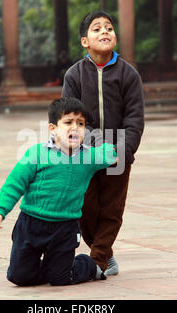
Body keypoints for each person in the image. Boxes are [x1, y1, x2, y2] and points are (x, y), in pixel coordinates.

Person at [0, 97, 117, 286]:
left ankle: (87, 265)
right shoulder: (36, 153)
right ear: (52, 129)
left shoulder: (89, 156)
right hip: (31, 224)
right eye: (68, 122)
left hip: (65, 227)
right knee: (19, 277)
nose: (75, 128)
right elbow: (14, 183)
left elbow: (107, 152)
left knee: (61, 279)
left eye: (80, 124)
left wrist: (113, 152)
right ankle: (49, 267)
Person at [62, 11, 145, 276]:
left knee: (112, 209)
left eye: (109, 28)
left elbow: (134, 117)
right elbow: (70, 116)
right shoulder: (74, 75)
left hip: (119, 155)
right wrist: (92, 146)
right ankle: (102, 252)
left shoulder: (128, 75)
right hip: (85, 153)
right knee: (85, 207)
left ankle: (98, 259)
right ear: (85, 41)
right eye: (97, 29)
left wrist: (123, 149)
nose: (105, 32)